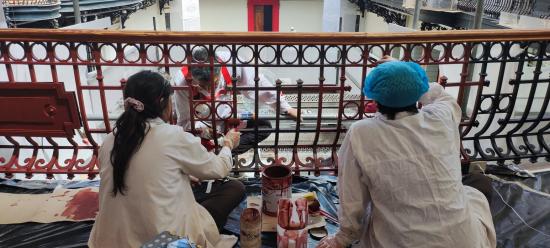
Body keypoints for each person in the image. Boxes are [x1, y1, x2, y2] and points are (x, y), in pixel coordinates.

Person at [317, 60, 496, 248]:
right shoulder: (441, 117)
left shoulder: (361, 133)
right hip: (463, 241)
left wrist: (342, 239)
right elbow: (440, 96)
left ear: (375, 99)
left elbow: (352, 198)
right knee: (477, 184)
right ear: (418, 91)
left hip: (397, 242)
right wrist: (404, 70)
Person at [88, 71, 244, 248]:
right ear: (163, 102)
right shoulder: (171, 136)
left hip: (110, 240)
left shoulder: (109, 140)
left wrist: (181, 176)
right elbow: (219, 168)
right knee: (234, 188)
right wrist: (228, 144)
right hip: (162, 241)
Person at [172, 47, 300, 155]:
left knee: (264, 126)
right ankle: (218, 157)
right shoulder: (182, 82)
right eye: (203, 86)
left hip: (229, 117)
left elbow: (257, 83)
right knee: (193, 143)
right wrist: (205, 131)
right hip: (203, 125)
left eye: (214, 83)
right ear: (192, 76)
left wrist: (286, 108)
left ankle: (223, 155)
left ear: (220, 70)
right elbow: (184, 121)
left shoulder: (230, 63)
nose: (210, 89)